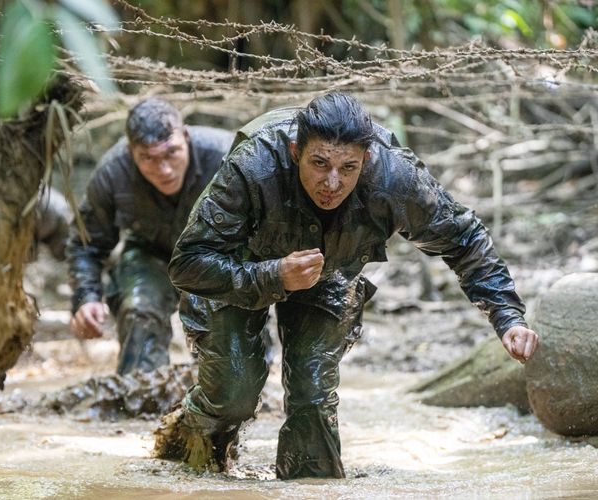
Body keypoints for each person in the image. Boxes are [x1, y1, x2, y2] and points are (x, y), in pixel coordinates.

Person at [153, 92, 540, 479]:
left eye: (348, 167)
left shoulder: (393, 178)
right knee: (232, 394)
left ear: (366, 160)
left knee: (312, 393)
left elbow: (465, 238)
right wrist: (271, 275)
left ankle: (311, 486)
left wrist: (508, 317)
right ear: (294, 151)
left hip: (332, 271)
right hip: (242, 264)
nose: (332, 183)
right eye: (319, 164)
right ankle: (175, 458)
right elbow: (188, 263)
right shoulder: (252, 168)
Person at [65, 97, 235, 375]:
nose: (164, 169)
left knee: (232, 348)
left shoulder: (226, 156)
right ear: (131, 152)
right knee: (139, 308)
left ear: (186, 137)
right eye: (148, 158)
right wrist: (86, 297)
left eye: (171, 153)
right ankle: (141, 394)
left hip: (220, 256)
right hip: (150, 253)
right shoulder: (112, 174)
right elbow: (87, 243)